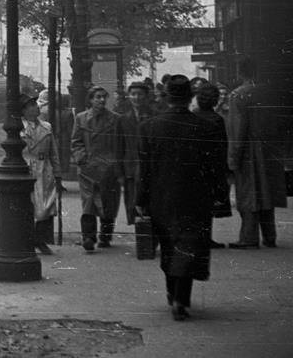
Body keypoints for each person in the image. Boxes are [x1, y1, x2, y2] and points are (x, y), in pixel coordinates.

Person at [136, 75, 227, 321]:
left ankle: (171, 291)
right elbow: (217, 166)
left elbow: (144, 169)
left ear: (166, 97)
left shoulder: (149, 127)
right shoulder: (207, 127)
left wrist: (140, 199)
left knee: (168, 245)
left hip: (161, 197)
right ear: (190, 98)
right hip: (197, 197)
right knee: (188, 245)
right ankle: (180, 299)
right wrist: (221, 194)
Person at [226, 57, 287, 249]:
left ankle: (248, 237)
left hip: (249, 151)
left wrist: (233, 158)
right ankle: (270, 236)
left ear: (240, 72)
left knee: (249, 193)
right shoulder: (271, 93)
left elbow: (237, 129)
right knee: (267, 193)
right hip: (270, 149)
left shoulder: (238, 95)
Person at [71, 86, 124, 251]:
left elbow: (120, 144)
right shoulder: (81, 118)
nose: (101, 100)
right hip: (88, 168)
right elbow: (76, 141)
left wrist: (115, 164)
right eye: (97, 97)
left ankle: (105, 236)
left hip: (108, 169)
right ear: (90, 99)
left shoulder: (115, 119)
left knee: (108, 203)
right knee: (88, 203)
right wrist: (81, 159)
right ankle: (88, 237)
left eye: (103, 97)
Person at [193, 82, 232, 249]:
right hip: (212, 166)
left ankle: (197, 237)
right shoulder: (217, 120)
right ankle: (205, 237)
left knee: (195, 204)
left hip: (194, 166)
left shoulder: (192, 116)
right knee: (208, 205)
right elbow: (222, 146)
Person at [21, 96, 61, 254]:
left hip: (45, 169)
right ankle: (29, 239)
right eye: (31, 105)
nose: (36, 107)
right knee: (29, 207)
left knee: (47, 205)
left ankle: (41, 239)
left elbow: (54, 152)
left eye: (35, 104)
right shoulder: (19, 129)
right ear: (23, 110)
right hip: (27, 169)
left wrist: (58, 174)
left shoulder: (47, 127)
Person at [119, 81, 153, 226]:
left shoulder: (154, 116)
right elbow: (119, 146)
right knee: (133, 202)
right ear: (129, 96)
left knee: (150, 202)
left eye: (140, 94)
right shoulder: (123, 119)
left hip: (150, 165)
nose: (136, 97)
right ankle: (142, 237)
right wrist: (119, 171)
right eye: (133, 94)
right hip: (131, 166)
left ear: (146, 96)